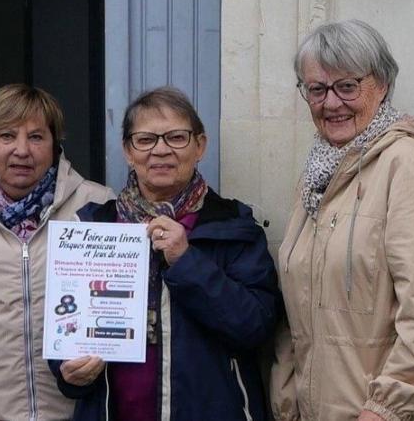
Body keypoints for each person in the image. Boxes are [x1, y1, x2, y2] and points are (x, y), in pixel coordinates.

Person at [49, 87, 280, 420]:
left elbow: (256, 326)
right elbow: (65, 326)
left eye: (176, 137)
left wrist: (186, 261)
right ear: (128, 151)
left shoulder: (234, 226)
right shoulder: (92, 226)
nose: (160, 150)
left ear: (200, 146)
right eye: (145, 140)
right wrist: (68, 371)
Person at [270, 19, 414, 421]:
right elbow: (298, 316)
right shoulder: (317, 175)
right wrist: (287, 401)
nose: (331, 103)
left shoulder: (408, 164)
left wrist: (385, 410)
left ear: (380, 85)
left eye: (347, 86)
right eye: (316, 89)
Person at [0, 83, 114, 421]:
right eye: (7, 136)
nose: (22, 150)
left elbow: (119, 306)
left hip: (76, 410)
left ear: (56, 145)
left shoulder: (96, 204)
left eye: (37, 137)